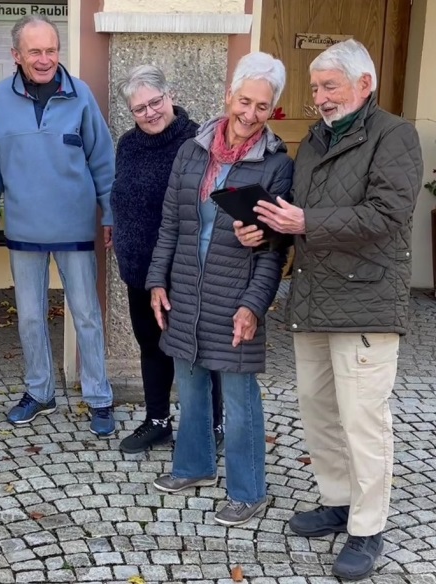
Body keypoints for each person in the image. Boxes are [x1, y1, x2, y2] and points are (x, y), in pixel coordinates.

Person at [235, 39, 423, 579]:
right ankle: (339, 501)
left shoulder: (395, 136)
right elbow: (294, 217)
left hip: (365, 302)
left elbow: (387, 215)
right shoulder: (314, 141)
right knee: (319, 412)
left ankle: (368, 528)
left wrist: (305, 224)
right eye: (315, 87)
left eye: (329, 86)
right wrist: (263, 228)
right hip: (313, 300)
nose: (319, 96)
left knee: (364, 420)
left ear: (364, 84)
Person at [146, 52, 293, 526]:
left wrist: (255, 305)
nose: (250, 114)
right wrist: (156, 281)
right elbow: (170, 222)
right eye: (244, 101)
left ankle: (249, 491)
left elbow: (274, 248)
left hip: (236, 292)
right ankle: (194, 466)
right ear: (229, 95)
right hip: (187, 287)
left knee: (238, 395)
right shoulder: (193, 150)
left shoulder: (275, 164)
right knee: (188, 382)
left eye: (263, 107)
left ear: (274, 111)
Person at [0, 14, 116, 436]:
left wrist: (110, 214)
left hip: (75, 229)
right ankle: (39, 391)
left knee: (87, 315)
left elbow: (103, 162)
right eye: (35, 51)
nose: (44, 59)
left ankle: (99, 397)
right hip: (22, 229)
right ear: (16, 55)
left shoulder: (80, 95)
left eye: (51, 50)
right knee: (30, 318)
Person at [111, 65, 225, 454]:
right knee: (150, 344)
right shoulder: (127, 144)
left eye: (155, 102)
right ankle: (157, 421)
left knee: (197, 348)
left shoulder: (196, 143)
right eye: (139, 108)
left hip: (186, 271)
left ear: (169, 95)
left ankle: (213, 423)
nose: (150, 113)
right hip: (138, 270)